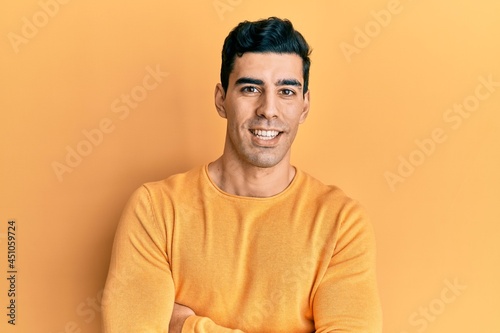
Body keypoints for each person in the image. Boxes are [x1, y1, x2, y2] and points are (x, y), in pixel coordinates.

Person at [101, 17, 382, 332]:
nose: (268, 109)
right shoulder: (156, 210)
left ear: (304, 106)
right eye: (251, 88)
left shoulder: (341, 222)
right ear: (222, 99)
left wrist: (186, 326)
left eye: (287, 91)